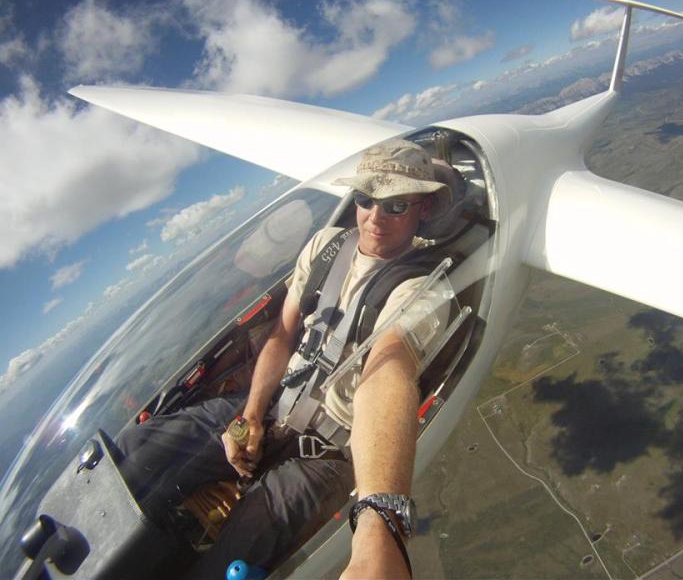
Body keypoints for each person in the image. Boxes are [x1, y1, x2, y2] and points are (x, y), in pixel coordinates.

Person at [116, 139, 453, 579]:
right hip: (274, 405)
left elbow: (386, 373)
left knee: (223, 568)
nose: (374, 217)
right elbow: (281, 333)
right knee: (134, 453)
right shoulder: (328, 246)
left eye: (396, 205)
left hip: (329, 451)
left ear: (423, 209)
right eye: (366, 198)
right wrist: (251, 417)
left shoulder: (423, 289)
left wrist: (379, 525)